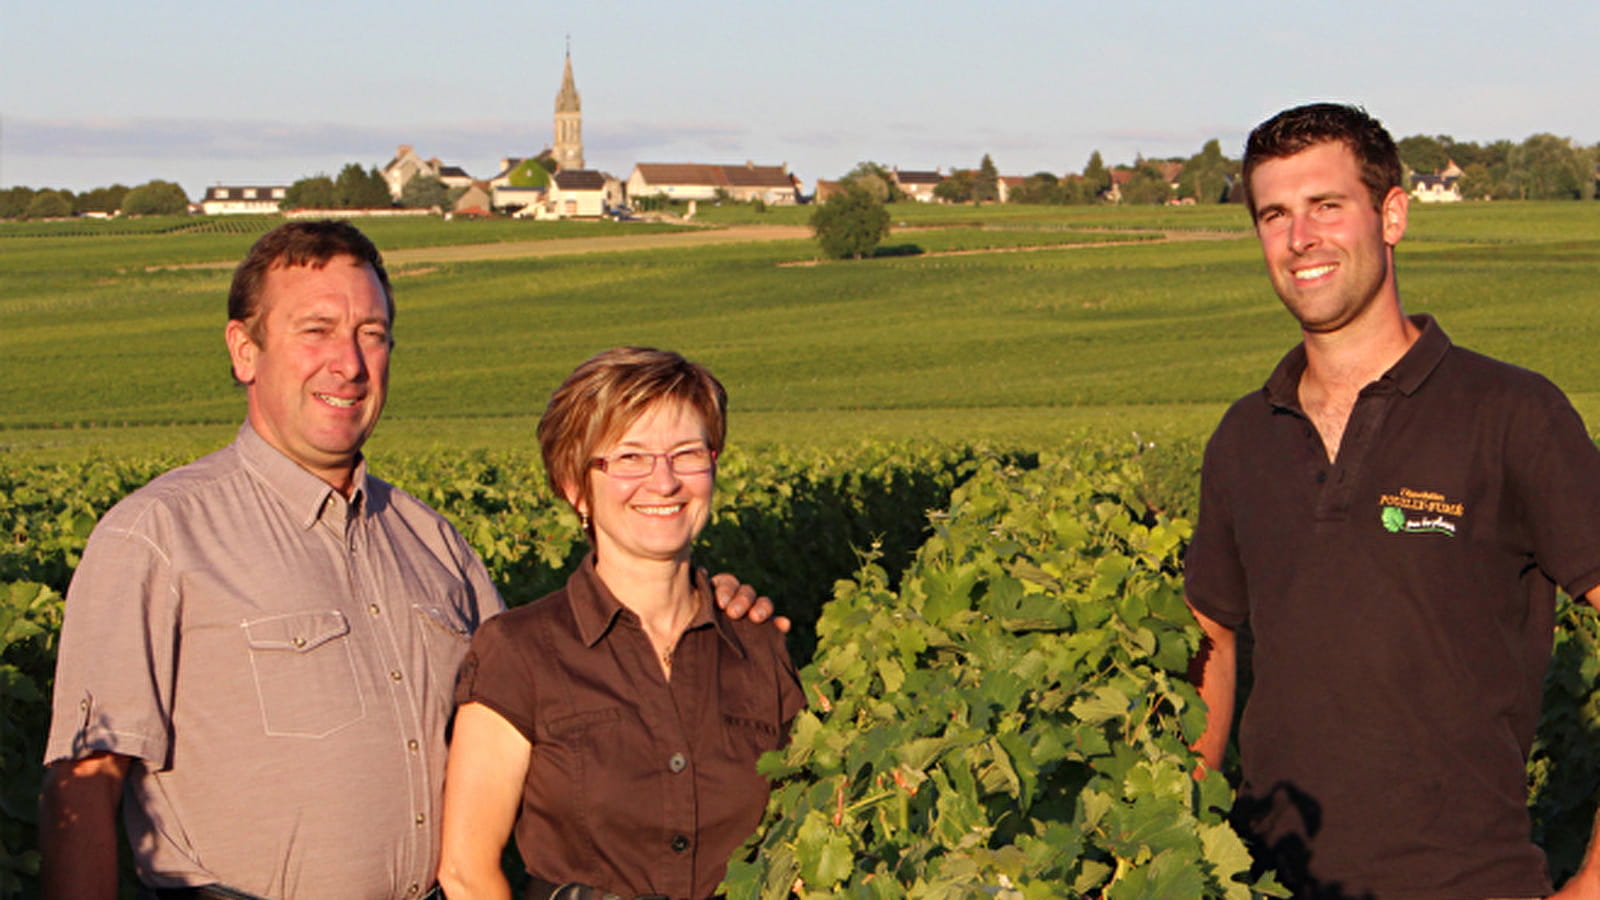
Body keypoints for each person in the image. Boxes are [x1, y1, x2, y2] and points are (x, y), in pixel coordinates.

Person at [39, 221, 778, 900]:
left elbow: (552, 694)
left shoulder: (435, 544)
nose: (349, 363)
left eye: (372, 334)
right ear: (244, 349)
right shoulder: (160, 536)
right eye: (316, 331)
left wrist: (701, 609)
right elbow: (84, 782)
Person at [1183, 102, 1600, 900]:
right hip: (1269, 885)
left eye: (1326, 206)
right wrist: (1173, 844)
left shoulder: (1510, 413)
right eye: (1274, 214)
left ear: (1393, 216)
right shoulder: (1244, 436)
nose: (1299, 238)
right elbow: (1212, 642)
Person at [436, 347, 805, 900]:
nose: (664, 482)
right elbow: (467, 873)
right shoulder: (520, 651)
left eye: (687, 454)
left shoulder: (758, 645)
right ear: (574, 486)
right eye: (630, 458)